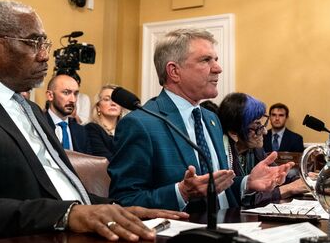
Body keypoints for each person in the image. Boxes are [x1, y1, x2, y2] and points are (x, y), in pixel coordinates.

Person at [0, 0, 186, 239]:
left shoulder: (28, 109)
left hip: (69, 238)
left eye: (45, 43)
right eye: (34, 43)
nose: (45, 55)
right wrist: (68, 215)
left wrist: (119, 209)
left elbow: (57, 189)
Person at [108, 29, 290, 212]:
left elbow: (217, 190)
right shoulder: (141, 123)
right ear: (174, 71)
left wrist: (247, 183)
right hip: (182, 236)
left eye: (216, 60)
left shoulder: (211, 119)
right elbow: (125, 200)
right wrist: (182, 193)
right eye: (205, 60)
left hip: (231, 228)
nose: (218, 68)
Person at [218, 94, 309, 208]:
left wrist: (308, 180)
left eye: (262, 124)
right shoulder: (221, 154)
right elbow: (241, 199)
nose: (265, 131)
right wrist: (288, 189)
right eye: (257, 126)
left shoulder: (255, 148)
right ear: (234, 132)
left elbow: (277, 175)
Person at [44, 74, 90, 152]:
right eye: (66, 93)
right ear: (50, 95)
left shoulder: (81, 131)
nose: (73, 99)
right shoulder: (38, 125)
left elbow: (89, 161)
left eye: (75, 94)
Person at [85, 84, 124, 160]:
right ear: (98, 107)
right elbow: (104, 160)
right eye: (107, 99)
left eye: (117, 100)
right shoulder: (91, 129)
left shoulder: (127, 131)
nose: (113, 103)